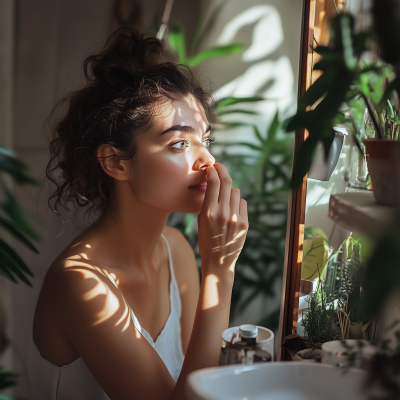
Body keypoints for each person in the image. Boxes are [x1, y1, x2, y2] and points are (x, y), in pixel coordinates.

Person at [31, 28, 248, 400]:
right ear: (116, 162)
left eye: (205, 140)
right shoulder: (81, 283)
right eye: (180, 143)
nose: (208, 161)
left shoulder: (175, 248)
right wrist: (220, 272)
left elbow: (198, 379)